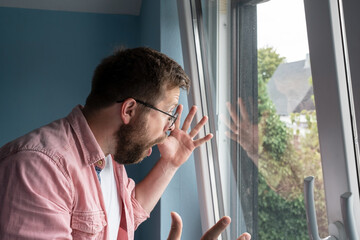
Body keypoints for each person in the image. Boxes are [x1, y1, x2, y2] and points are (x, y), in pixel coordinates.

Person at [0, 47, 250, 240]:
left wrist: (171, 164)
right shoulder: (39, 168)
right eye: (169, 113)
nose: (171, 127)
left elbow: (124, 212)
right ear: (129, 109)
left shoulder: (106, 156)